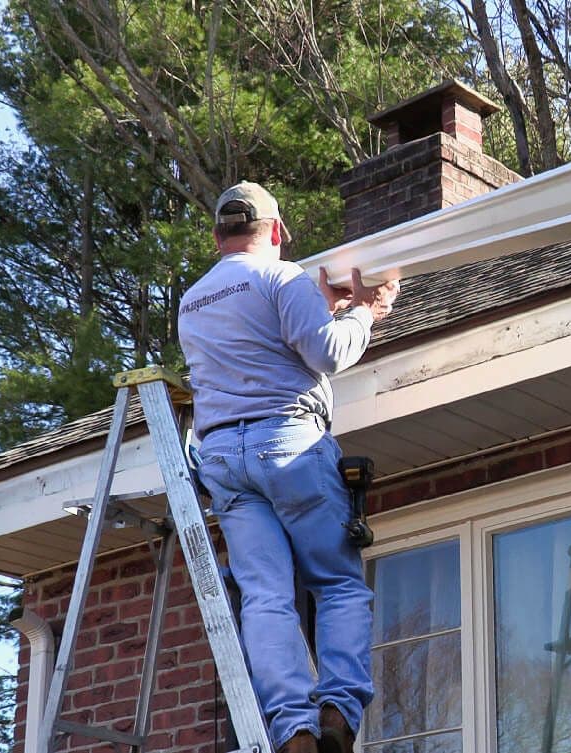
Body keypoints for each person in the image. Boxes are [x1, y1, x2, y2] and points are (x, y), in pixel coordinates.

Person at [178, 181, 398, 753]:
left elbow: (255, 344)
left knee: (266, 598)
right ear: (275, 231)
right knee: (338, 585)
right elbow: (328, 352)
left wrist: (315, 308)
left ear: (217, 236)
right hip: (288, 445)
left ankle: (292, 729)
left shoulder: (192, 301)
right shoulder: (283, 277)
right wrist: (365, 312)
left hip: (223, 458)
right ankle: (337, 712)